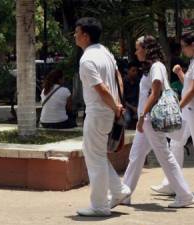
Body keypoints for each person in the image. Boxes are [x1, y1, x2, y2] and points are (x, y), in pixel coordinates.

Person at [122, 35, 194, 208]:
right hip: (147, 120)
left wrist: (141, 117)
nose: (136, 51)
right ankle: (123, 194)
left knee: (164, 156)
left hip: (150, 119)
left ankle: (184, 195)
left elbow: (155, 93)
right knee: (136, 156)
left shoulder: (156, 67)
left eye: (138, 47)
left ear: (147, 49)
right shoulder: (153, 67)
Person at [74, 17, 131, 217]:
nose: (75, 35)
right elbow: (118, 79)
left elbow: (101, 88)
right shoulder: (106, 52)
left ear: (85, 36)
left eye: (77, 32)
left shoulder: (87, 59)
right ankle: (119, 190)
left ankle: (99, 205)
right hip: (107, 111)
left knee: (94, 159)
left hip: (98, 112)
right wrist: (118, 104)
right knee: (96, 155)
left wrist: (115, 106)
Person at [152, 32, 194, 198]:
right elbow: (190, 85)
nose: (182, 50)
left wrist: (177, 108)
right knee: (175, 143)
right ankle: (172, 183)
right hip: (190, 111)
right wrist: (180, 73)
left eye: (184, 46)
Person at [123, 61, 140, 128]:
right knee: (127, 119)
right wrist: (133, 108)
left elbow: (139, 95)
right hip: (127, 105)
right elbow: (123, 99)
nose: (135, 72)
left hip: (136, 105)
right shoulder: (123, 82)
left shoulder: (138, 81)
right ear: (128, 71)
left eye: (136, 71)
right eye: (133, 71)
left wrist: (138, 106)